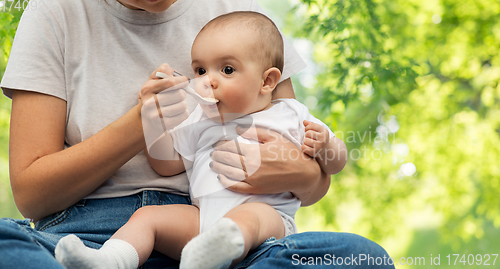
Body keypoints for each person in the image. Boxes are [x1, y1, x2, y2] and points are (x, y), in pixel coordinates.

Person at [0, 0, 394, 268]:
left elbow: (318, 178)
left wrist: (301, 167)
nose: (206, 81)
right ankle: (109, 261)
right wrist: (145, 124)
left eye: (225, 70)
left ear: (267, 79)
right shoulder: (54, 11)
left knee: (360, 256)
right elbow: (33, 194)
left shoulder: (251, 28)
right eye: (199, 71)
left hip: (247, 235)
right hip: (108, 227)